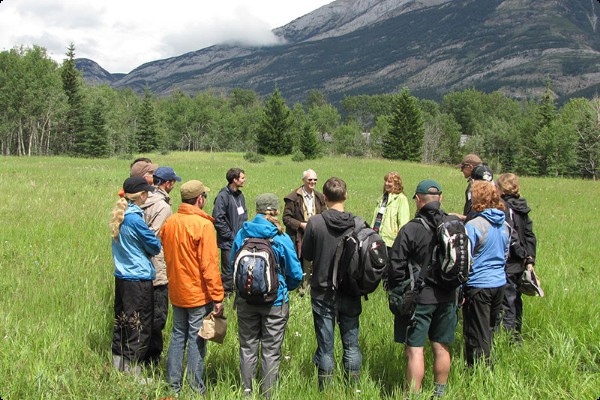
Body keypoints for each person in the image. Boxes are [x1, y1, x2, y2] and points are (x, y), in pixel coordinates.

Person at [388, 179, 458, 398]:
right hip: (449, 295)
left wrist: (400, 291)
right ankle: (439, 394)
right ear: (441, 199)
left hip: (420, 298)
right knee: (441, 346)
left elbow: (395, 266)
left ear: (418, 200)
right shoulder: (455, 225)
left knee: (415, 350)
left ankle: (413, 396)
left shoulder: (411, 230)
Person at [231, 193, 304, 398]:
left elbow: (231, 266)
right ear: (275, 211)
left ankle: (246, 392)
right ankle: (268, 394)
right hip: (276, 302)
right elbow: (296, 273)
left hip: (245, 300)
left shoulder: (242, 234)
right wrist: (283, 287)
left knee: (247, 347)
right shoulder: (279, 237)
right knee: (271, 351)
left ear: (257, 210)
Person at [160, 180, 225, 395]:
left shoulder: (170, 222)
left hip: (177, 291)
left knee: (178, 335)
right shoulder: (203, 225)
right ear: (199, 199)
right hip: (197, 294)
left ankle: (173, 387)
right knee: (197, 338)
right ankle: (195, 388)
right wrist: (217, 297)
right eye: (204, 196)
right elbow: (209, 265)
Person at [301, 177, 362, 391]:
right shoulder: (358, 222)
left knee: (326, 348)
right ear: (345, 195)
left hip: (322, 291)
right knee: (352, 346)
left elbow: (307, 254)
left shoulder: (315, 223)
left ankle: (325, 390)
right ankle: (353, 388)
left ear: (324, 198)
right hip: (351, 291)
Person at [110, 176, 161, 376]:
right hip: (138, 280)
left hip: (122, 278)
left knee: (122, 323)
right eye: (147, 192)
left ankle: (118, 368)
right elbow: (154, 246)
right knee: (139, 326)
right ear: (141, 195)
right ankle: (133, 374)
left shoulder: (121, 216)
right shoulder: (135, 219)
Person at [463, 181, 510, 367]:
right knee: (488, 329)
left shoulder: (474, 225)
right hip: (499, 283)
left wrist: (460, 287)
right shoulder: (504, 225)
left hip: (479, 285)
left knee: (476, 332)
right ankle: (485, 364)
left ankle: (480, 372)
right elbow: (505, 254)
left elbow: (465, 259)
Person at [139, 166, 182, 364]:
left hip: (137, 268)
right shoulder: (163, 207)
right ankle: (151, 360)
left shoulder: (141, 199)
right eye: (173, 182)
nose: (174, 185)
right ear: (167, 183)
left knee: (142, 314)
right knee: (158, 316)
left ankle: (138, 355)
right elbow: (154, 238)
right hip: (156, 268)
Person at [496, 173, 537, 342]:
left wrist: (522, 255)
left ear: (501, 188)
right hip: (521, 262)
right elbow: (530, 235)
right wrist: (530, 258)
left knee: (508, 301)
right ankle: (516, 333)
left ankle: (509, 339)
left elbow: (510, 234)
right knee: (516, 300)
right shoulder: (522, 206)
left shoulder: (504, 207)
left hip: (510, 261)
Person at [282, 169, 326, 295]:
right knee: (297, 261)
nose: (313, 182)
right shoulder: (293, 197)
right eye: (310, 180)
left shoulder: (319, 197)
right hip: (298, 236)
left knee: (312, 261)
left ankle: (309, 288)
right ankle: (296, 288)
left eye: (315, 180)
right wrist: (301, 224)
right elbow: (286, 218)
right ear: (303, 180)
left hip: (315, 234)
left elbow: (324, 214)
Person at [213, 167, 248, 297]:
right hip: (228, 241)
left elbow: (244, 214)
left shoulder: (240, 195)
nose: (245, 180)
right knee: (228, 270)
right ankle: (227, 294)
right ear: (235, 179)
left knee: (240, 266)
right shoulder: (223, 196)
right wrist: (230, 236)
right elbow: (218, 219)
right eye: (242, 178)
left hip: (241, 239)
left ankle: (238, 291)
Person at [371, 171, 410, 288]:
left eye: (390, 182)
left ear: (397, 184)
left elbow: (403, 222)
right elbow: (376, 219)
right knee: (376, 266)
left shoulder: (401, 199)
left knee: (388, 269)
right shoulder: (382, 198)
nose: (386, 184)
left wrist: (401, 241)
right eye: (386, 181)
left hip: (391, 241)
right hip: (377, 238)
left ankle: (387, 290)